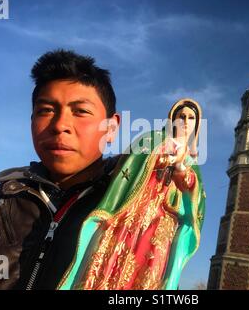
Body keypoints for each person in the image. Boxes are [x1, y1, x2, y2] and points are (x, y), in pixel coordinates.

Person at [0, 49, 120, 289]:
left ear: (111, 128)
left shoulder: (128, 204)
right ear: (31, 121)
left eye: (80, 111)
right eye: (46, 110)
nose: (60, 125)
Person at [57, 99, 206, 290]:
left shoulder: (193, 163)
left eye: (191, 118)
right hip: (134, 213)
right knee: (115, 263)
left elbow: (195, 198)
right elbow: (135, 161)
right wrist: (160, 157)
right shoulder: (153, 139)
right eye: (181, 116)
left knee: (151, 269)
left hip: (162, 224)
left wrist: (182, 171)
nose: (185, 121)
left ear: (197, 124)